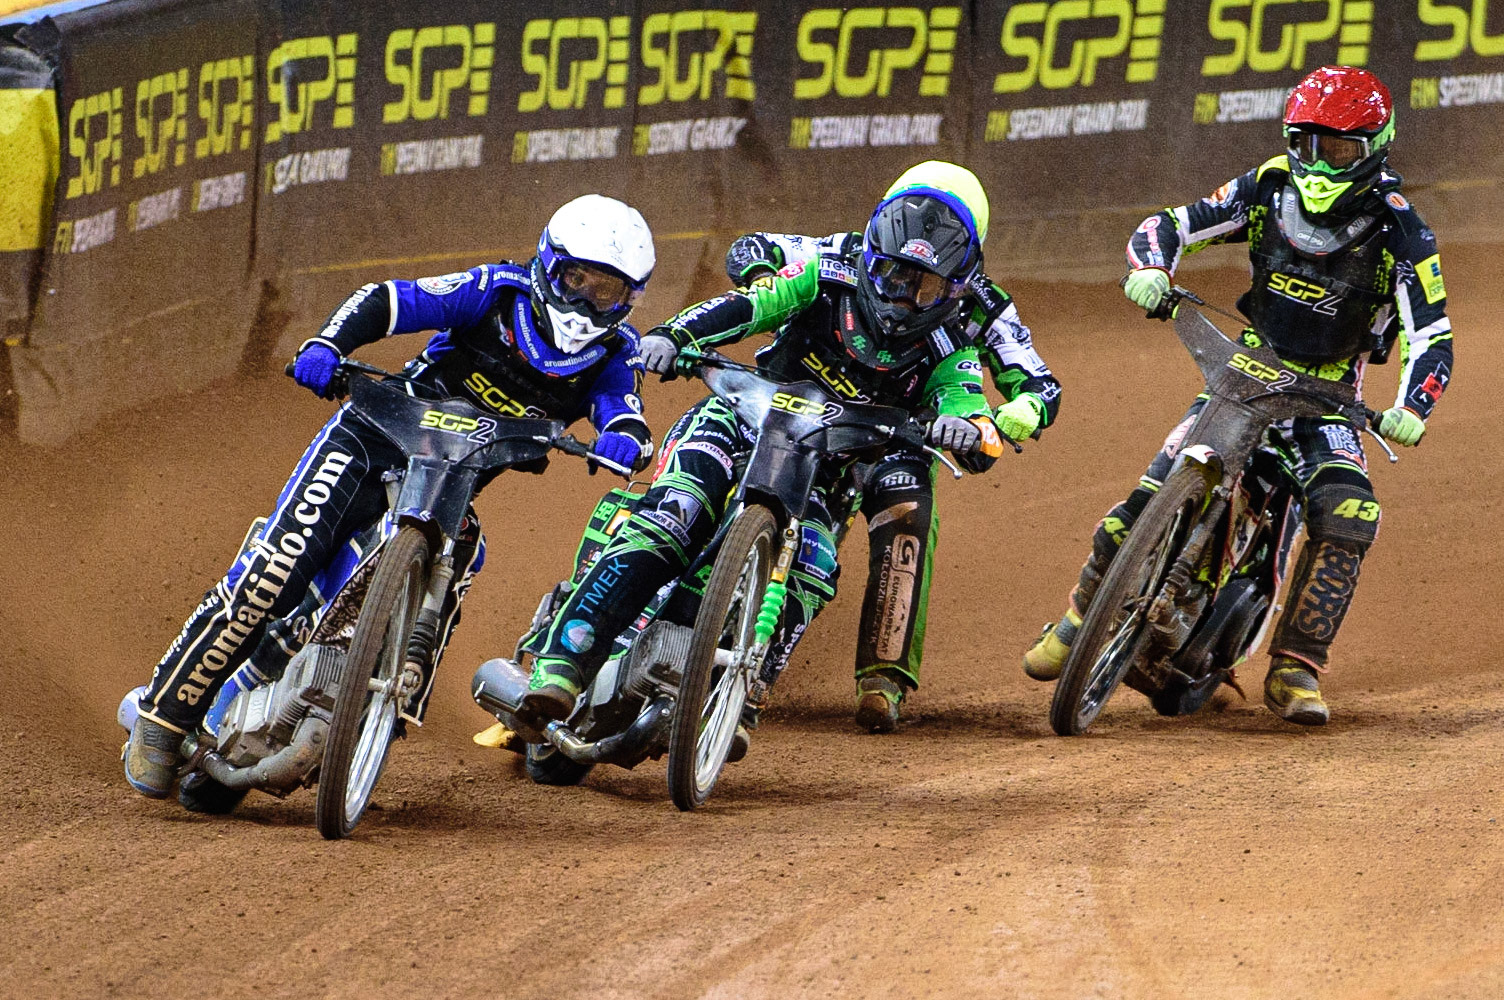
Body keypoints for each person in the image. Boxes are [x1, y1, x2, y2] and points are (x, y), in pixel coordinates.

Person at [123, 194, 658, 799]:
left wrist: (623, 439)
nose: (588, 300)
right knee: (275, 572)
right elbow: (388, 300)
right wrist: (328, 345)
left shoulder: (615, 353)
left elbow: (626, 412)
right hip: (373, 438)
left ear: (630, 299)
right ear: (547, 264)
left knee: (465, 556)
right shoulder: (494, 291)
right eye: (578, 280)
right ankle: (163, 717)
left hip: (447, 485)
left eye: (608, 291)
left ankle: (394, 699)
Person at [516, 161, 1061, 737]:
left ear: (959, 278)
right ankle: (564, 663)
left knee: (882, 521)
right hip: (751, 410)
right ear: (874, 240)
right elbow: (756, 295)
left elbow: (992, 392)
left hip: (869, 443)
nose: (899, 297)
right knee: (677, 510)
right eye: (889, 274)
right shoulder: (830, 264)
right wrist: (675, 335)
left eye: (921, 286)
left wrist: (987, 425)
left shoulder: (973, 324)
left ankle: (859, 677)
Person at [1022, 66, 1453, 725]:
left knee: (1348, 510)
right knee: (1155, 484)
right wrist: (1151, 271)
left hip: (1327, 398)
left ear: (1374, 148)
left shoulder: (1402, 231)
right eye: (1306, 144)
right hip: (1245, 369)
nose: (1318, 162)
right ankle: (1078, 617)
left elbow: (1433, 335)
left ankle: (1296, 669)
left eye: (1337, 149)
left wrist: (1411, 407)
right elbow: (1170, 223)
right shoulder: (1265, 187)